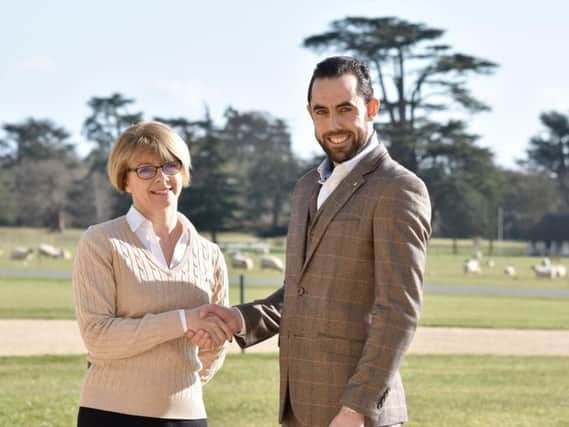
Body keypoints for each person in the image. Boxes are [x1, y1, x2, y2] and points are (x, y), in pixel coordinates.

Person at [193, 56, 432, 427]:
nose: (333, 125)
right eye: (321, 112)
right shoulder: (307, 187)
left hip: (356, 416)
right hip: (297, 406)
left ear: (371, 108)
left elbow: (398, 313)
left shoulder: (398, 189)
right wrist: (241, 318)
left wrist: (357, 407)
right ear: (310, 113)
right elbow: (300, 293)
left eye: (345, 110)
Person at [72, 121, 233, 427]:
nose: (162, 177)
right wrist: (183, 320)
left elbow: (217, 345)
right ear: (125, 180)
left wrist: (202, 346)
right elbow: (98, 338)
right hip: (111, 416)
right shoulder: (100, 242)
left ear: (183, 173)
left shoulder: (210, 254)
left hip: (188, 417)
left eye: (170, 165)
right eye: (145, 169)